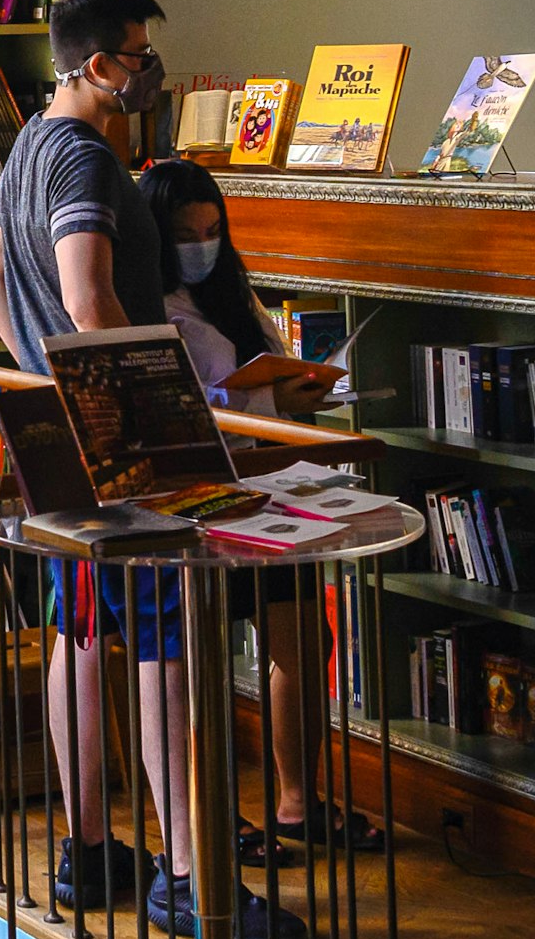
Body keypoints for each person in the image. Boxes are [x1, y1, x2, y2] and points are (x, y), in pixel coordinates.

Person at [0, 0, 307, 939]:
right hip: (120, 445)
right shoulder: (82, 157)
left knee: (82, 639)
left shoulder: (29, 143)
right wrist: (149, 405)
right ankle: (189, 874)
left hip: (58, 437)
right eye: (136, 50)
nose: (147, 65)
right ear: (94, 61)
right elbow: (87, 295)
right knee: (166, 654)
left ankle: (87, 850)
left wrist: (39, 372)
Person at [137, 156, 377, 861]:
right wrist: (268, 402)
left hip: (272, 485)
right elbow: (188, 404)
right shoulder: (149, 302)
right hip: (201, 498)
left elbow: (262, 363)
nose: (203, 244)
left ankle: (297, 801)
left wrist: (301, 389)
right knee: (197, 664)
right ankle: (207, 819)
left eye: (214, 229)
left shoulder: (232, 291)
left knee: (306, 638)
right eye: (186, 233)